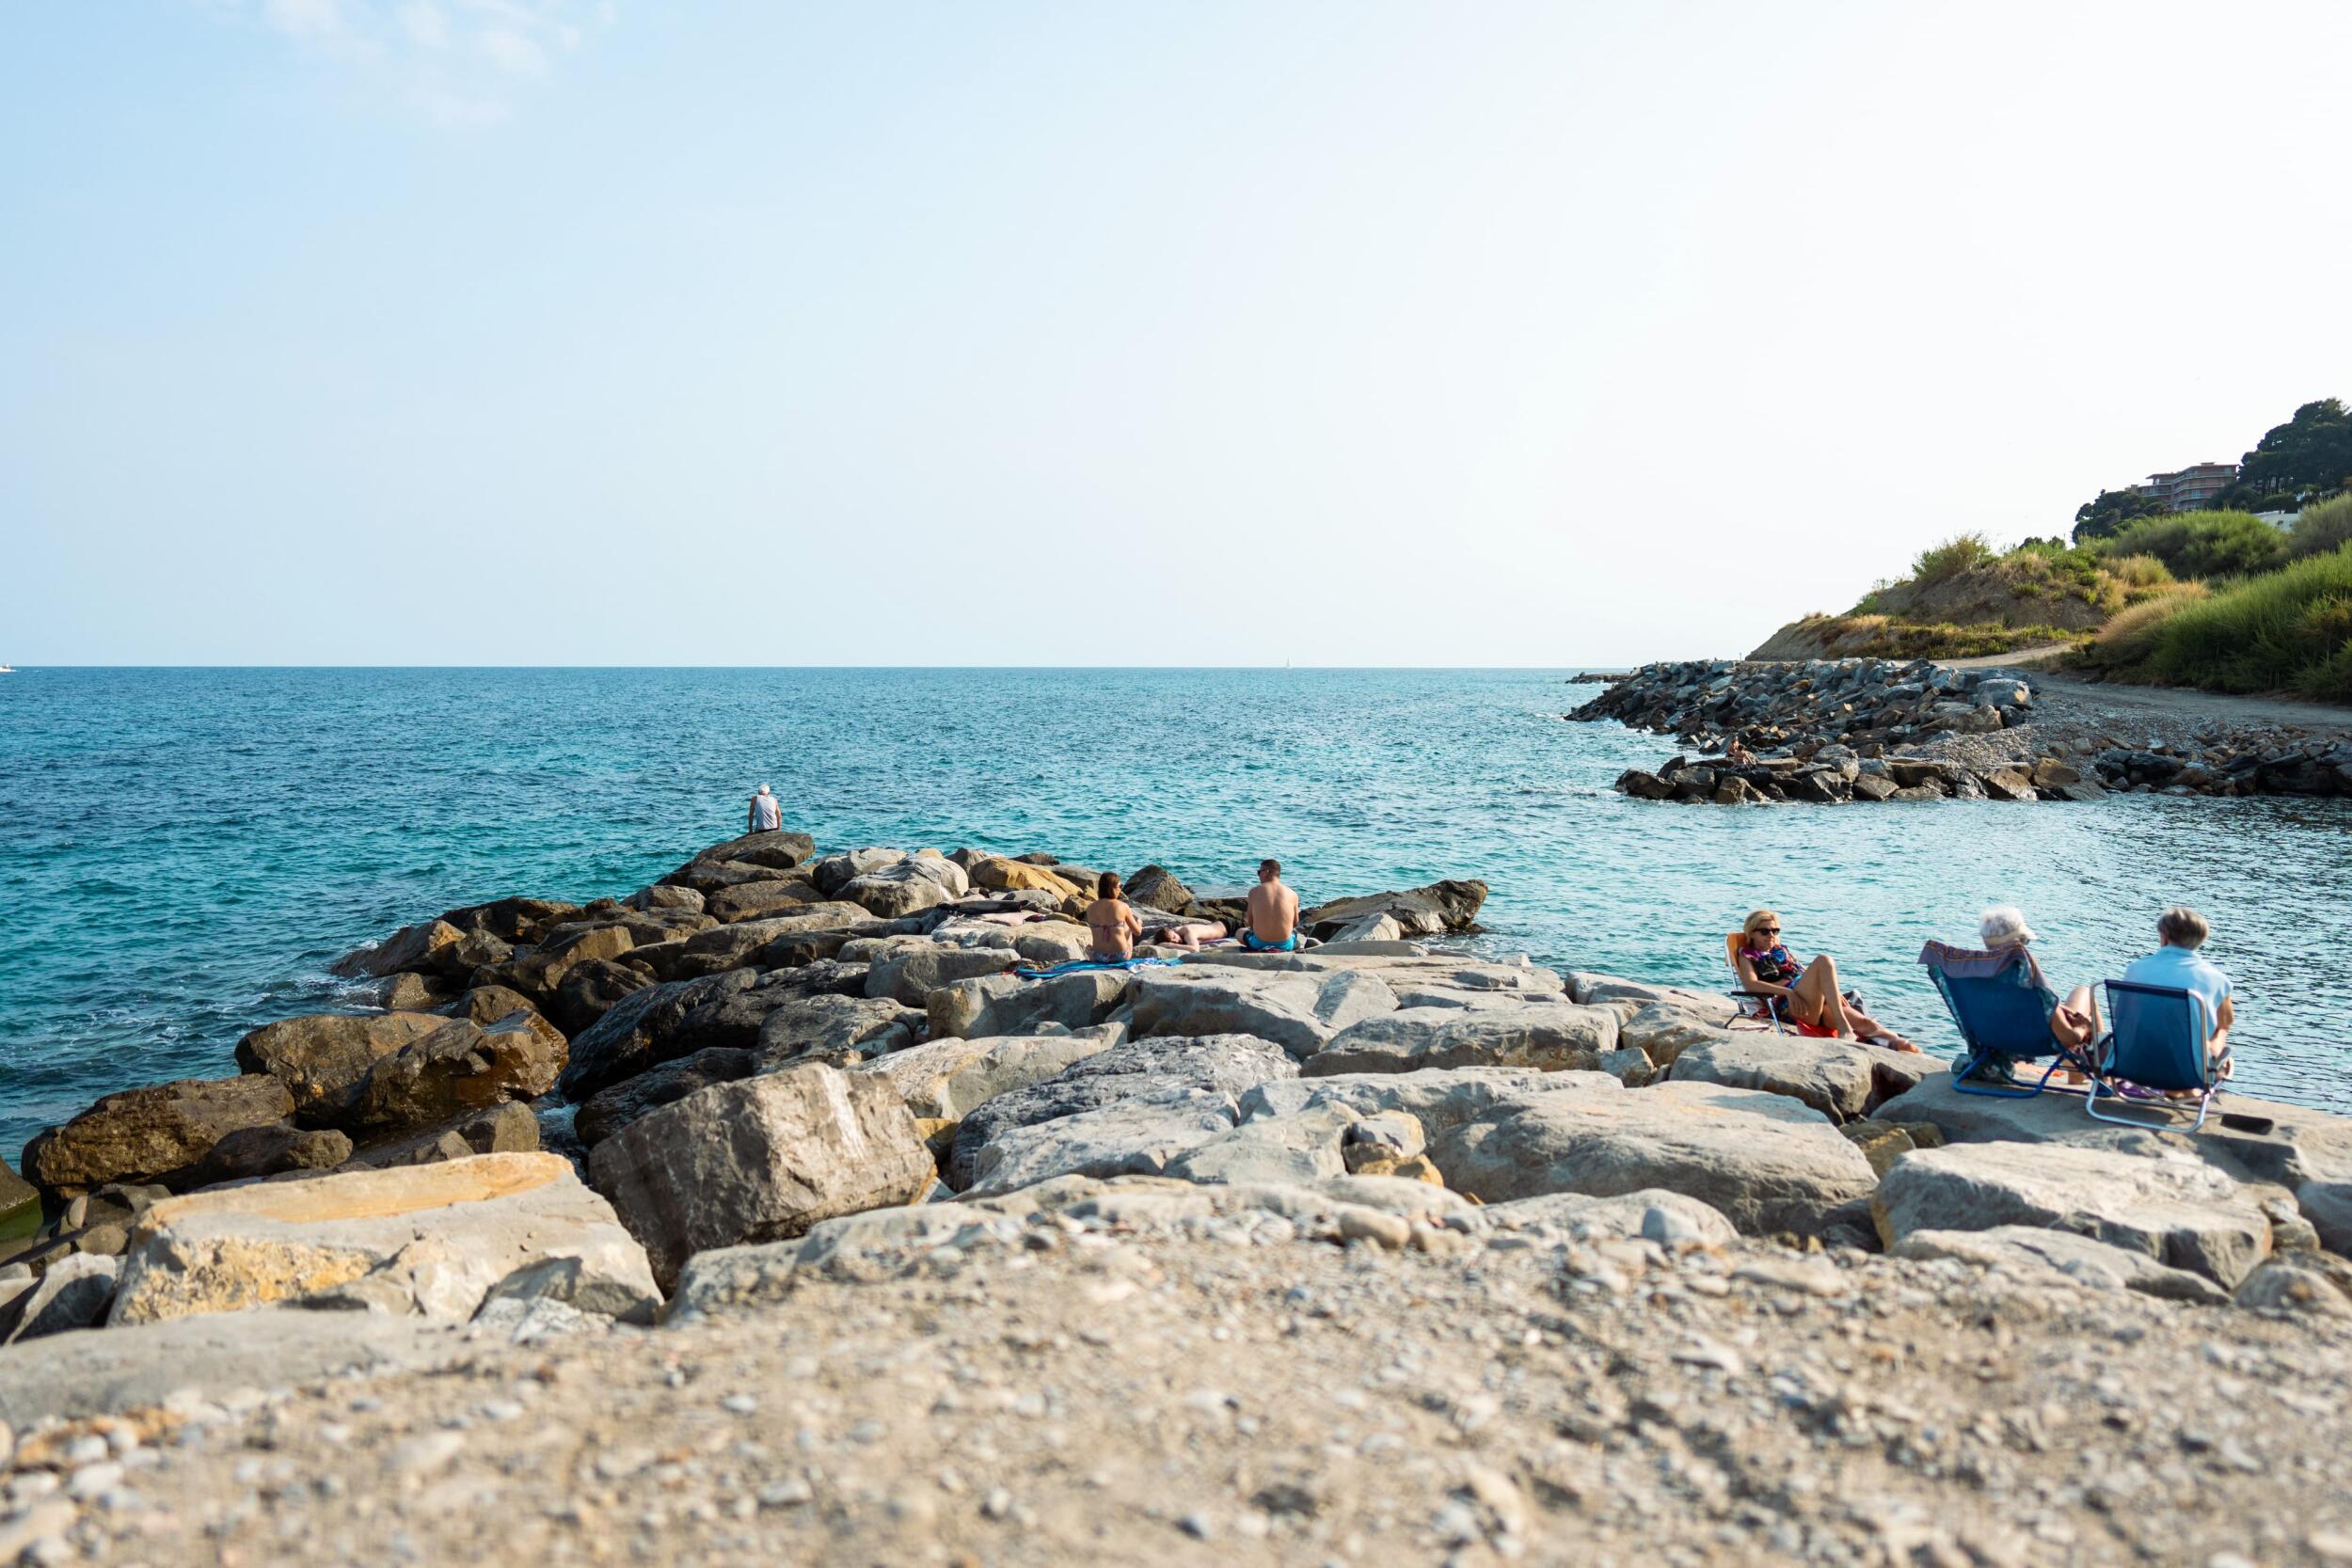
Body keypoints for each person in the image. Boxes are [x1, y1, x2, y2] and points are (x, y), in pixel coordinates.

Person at [1734, 909, 1918, 1051]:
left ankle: (1898, 1043)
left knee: (1865, 1023)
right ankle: (1845, 1028)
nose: (1771, 935)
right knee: (1824, 960)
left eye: (1775, 930)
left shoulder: (1781, 950)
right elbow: (1751, 985)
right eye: (1765, 931)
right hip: (1791, 1005)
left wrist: (1834, 994)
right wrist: (1788, 992)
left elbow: (1805, 973)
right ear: (1752, 932)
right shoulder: (1747, 955)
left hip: (1815, 1003)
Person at [2121, 906, 2234, 1093]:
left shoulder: (2135, 969)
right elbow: (2226, 1022)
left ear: (2164, 937)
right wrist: (2220, 1032)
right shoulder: (2218, 980)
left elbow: (2125, 1015)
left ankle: (2176, 1091)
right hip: (2187, 1072)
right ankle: (2190, 1087)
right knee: (2220, 1029)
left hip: (2130, 1063)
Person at [1084, 871, 1145, 963]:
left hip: (1098, 957)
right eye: (1120, 886)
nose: (1120, 890)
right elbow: (1138, 932)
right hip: (1121, 956)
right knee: (1126, 924)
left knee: (1090, 946)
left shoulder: (1090, 908)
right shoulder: (1123, 906)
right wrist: (1139, 923)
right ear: (1112, 888)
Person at [1242, 859, 1301, 952]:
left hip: (1258, 944)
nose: (1258, 876)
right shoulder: (1293, 894)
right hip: (1285, 945)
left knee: (1240, 932)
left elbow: (1251, 923)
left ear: (1266, 872)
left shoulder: (1254, 892)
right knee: (1295, 936)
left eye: (1259, 872)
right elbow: (1295, 923)